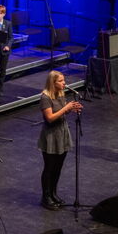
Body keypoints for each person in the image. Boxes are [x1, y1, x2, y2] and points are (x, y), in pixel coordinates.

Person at [39, 71, 81, 209]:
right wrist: (66, 108)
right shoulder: (45, 97)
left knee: (58, 167)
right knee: (49, 167)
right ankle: (46, 197)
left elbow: (61, 113)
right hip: (51, 136)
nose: (64, 83)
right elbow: (50, 118)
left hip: (62, 133)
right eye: (61, 81)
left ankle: (53, 193)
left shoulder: (61, 94)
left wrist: (71, 109)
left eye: (64, 80)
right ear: (53, 83)